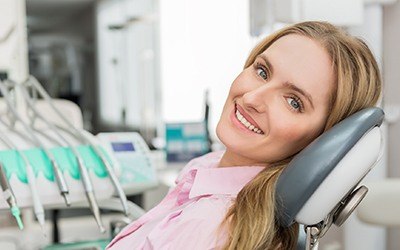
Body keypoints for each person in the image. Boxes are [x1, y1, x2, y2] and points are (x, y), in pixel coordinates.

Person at [107, 21, 381, 250]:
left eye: (293, 101)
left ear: (321, 142)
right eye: (262, 71)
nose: (251, 98)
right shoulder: (208, 168)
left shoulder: (209, 227)